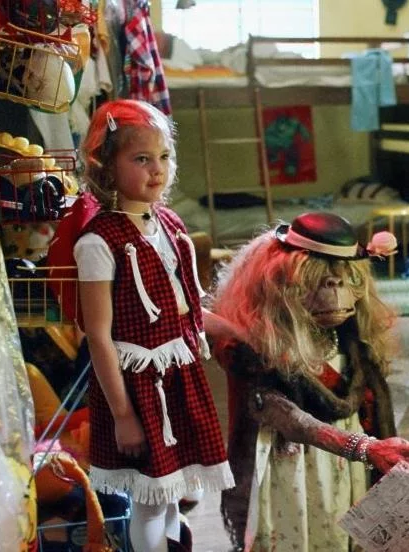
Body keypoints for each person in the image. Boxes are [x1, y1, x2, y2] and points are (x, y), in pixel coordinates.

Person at [209, 212, 409, 551]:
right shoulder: (258, 351)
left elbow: (370, 403)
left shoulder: (352, 341)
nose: (334, 289)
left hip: (347, 468)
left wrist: (374, 449)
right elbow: (288, 418)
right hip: (293, 468)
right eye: (318, 280)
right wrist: (365, 448)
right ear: (281, 285)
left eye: (343, 279)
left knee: (344, 528)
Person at [74, 99, 234, 552]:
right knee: (149, 501)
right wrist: (123, 415)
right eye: (141, 158)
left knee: (172, 495)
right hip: (137, 385)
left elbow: (187, 305)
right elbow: (98, 336)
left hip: (178, 376)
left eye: (163, 156)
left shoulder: (170, 225)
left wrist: (241, 331)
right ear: (107, 166)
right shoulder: (99, 242)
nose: (157, 169)